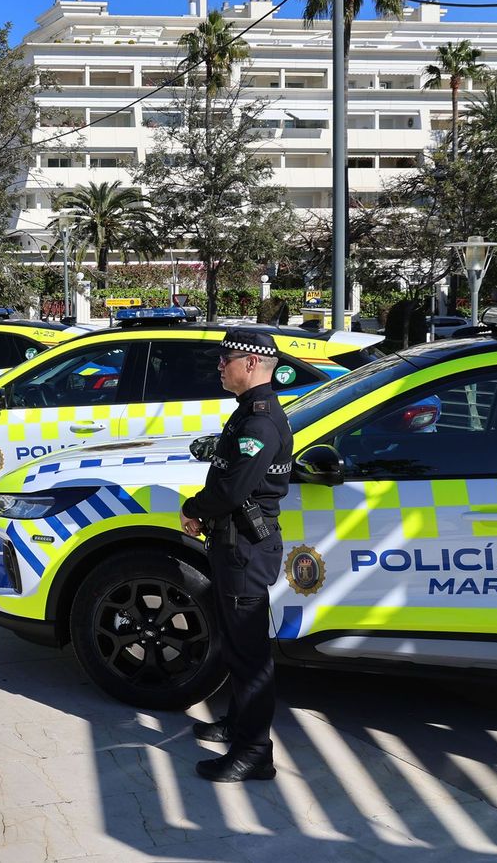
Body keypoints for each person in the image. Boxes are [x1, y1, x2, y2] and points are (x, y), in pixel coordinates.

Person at [179, 328, 294, 783]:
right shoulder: (248, 412)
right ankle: (237, 724)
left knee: (250, 656)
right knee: (235, 645)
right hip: (233, 544)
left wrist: (193, 509)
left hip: (245, 549)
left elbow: (231, 489)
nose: (220, 365)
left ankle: (254, 753)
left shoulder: (260, 420)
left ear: (251, 363)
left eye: (226, 358)